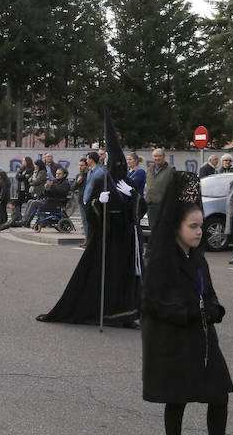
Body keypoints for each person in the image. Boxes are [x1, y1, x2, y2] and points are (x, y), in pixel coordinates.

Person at [142, 171, 232, 435]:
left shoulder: (197, 257)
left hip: (203, 338)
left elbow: (209, 291)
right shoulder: (160, 260)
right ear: (175, 227)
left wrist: (215, 308)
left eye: (200, 226)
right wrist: (188, 313)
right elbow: (152, 301)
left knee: (219, 395)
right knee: (177, 399)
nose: (199, 231)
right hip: (174, 340)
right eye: (192, 226)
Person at [36, 114, 141, 327]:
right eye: (117, 162)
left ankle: (127, 315)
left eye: (123, 162)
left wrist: (134, 196)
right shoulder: (103, 180)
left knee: (126, 277)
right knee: (103, 276)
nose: (120, 165)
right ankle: (101, 312)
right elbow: (91, 206)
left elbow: (140, 209)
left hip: (126, 236)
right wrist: (98, 203)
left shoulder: (128, 182)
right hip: (107, 234)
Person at [146, 148, 174, 237]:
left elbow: (173, 188)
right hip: (151, 205)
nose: (157, 158)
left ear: (164, 157)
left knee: (162, 231)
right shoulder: (150, 170)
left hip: (162, 206)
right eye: (155, 156)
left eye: (159, 156)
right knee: (153, 231)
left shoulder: (170, 170)